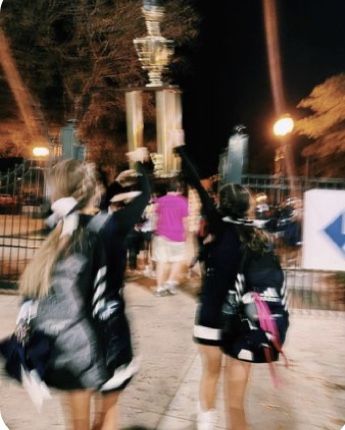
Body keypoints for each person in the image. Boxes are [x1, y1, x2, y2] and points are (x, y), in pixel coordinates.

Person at [2, 148, 150, 430]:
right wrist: (141, 167)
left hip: (71, 343)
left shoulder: (57, 230)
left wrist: (111, 188)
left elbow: (84, 211)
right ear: (91, 190)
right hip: (110, 333)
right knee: (107, 416)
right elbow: (142, 197)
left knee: (78, 424)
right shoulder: (109, 226)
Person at [174, 138, 288, 430]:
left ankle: (206, 423)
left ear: (222, 205)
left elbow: (196, 183)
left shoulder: (219, 227)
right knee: (236, 403)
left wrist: (180, 148)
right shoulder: (260, 239)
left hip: (212, 314)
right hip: (242, 324)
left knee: (210, 373)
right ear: (248, 207)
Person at [152, 177, 189, 296]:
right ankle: (170, 281)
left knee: (161, 262)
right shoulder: (183, 201)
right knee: (178, 260)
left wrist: (154, 230)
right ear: (179, 188)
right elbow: (185, 221)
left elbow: (155, 217)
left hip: (161, 235)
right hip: (178, 236)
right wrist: (187, 235)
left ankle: (159, 288)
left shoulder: (159, 201)